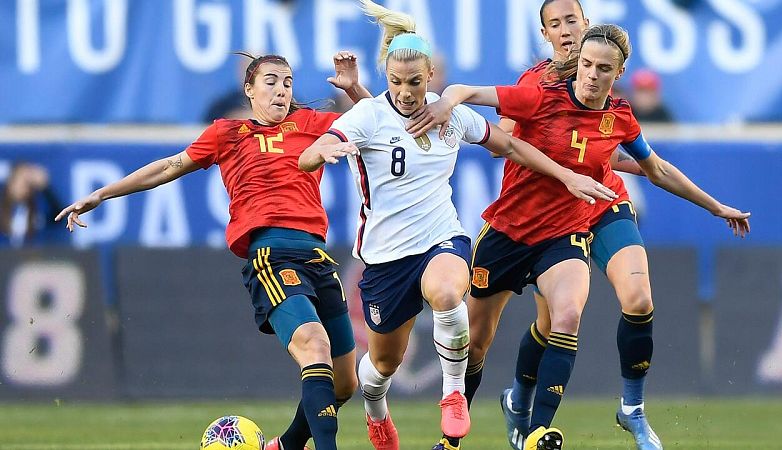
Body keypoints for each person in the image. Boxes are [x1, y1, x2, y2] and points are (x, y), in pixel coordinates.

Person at [406, 23, 750, 450]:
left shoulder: (619, 117)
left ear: (618, 73)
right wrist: (445, 103)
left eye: (603, 69)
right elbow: (466, 91)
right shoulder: (540, 97)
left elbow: (657, 169)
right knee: (474, 344)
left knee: (566, 317)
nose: (592, 75)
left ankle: (538, 431)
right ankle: (452, 440)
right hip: (508, 233)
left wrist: (715, 206)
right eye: (586, 64)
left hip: (564, 236)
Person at [298, 3, 615, 450]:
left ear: (431, 76)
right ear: (386, 77)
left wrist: (566, 175)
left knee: (449, 293)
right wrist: (321, 152)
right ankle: (376, 410)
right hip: (386, 256)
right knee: (383, 364)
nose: (406, 93)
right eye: (396, 82)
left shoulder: (449, 115)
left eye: (415, 82)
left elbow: (510, 145)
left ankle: (452, 395)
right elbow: (309, 154)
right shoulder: (367, 115)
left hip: (440, 238)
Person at [55, 51, 372, 450]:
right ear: (249, 89)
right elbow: (169, 166)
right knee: (314, 344)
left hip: (318, 259)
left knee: (344, 383)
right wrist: (101, 194)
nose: (281, 90)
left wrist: (354, 89)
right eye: (271, 81)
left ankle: (285, 445)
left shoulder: (311, 124)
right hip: (272, 256)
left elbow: (379, 121)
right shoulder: (228, 133)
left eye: (288, 83)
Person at [1, 162, 62, 248]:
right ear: (10, 182)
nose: (23, 186)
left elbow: (59, 216)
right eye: (19, 180)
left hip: (32, 254)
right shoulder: (2, 210)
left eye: (27, 182)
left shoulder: (38, 211)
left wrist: (45, 188)